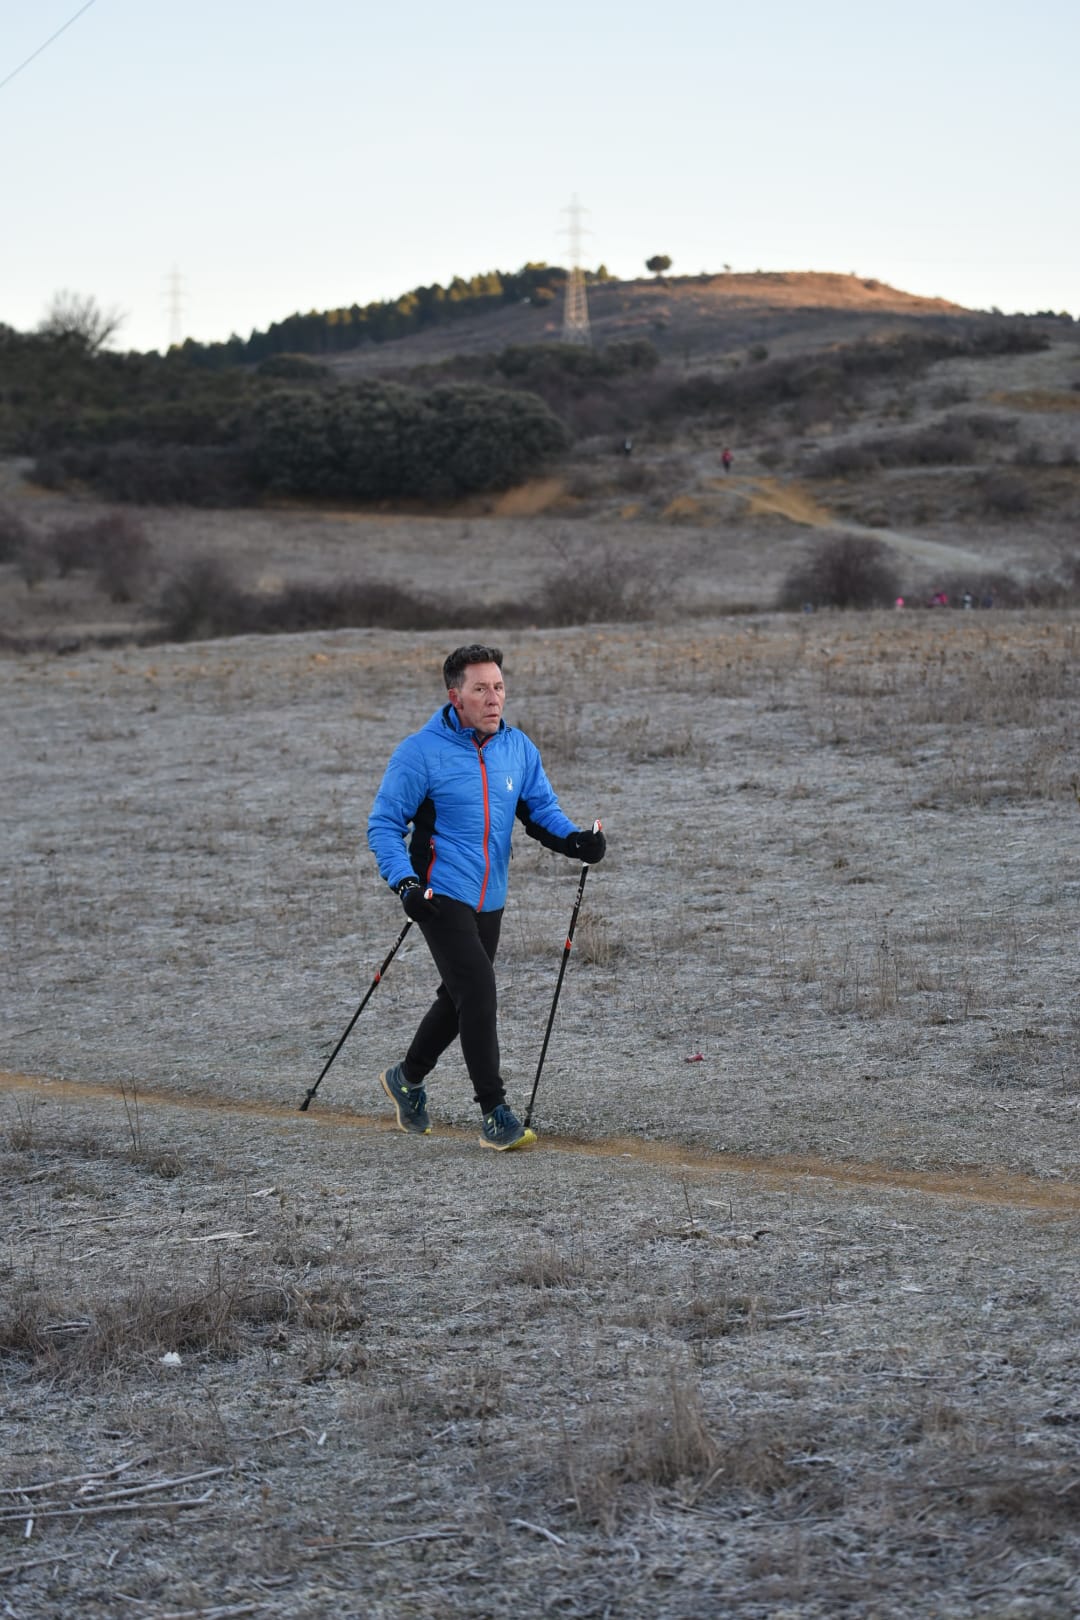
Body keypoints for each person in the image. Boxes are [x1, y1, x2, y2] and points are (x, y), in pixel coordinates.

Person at [366, 644, 606, 1151]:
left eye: (498, 687)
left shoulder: (516, 747)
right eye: (480, 689)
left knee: (458, 999)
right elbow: (385, 824)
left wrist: (575, 840)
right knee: (477, 990)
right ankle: (494, 1112)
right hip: (438, 890)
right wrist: (405, 884)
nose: (494, 698)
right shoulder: (420, 752)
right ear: (456, 696)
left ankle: (406, 1079)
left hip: (490, 895)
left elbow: (539, 809)